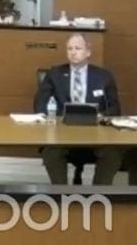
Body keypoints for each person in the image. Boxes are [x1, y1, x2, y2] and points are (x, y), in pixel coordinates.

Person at [34, 33, 123, 185]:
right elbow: (40, 106)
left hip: (96, 134)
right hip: (62, 134)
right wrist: (57, 119)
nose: (73, 52)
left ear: (88, 52)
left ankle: (98, 194)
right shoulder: (54, 75)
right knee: (51, 152)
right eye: (69, 49)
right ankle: (61, 194)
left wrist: (101, 116)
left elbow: (115, 108)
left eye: (77, 48)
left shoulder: (104, 76)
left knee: (112, 154)